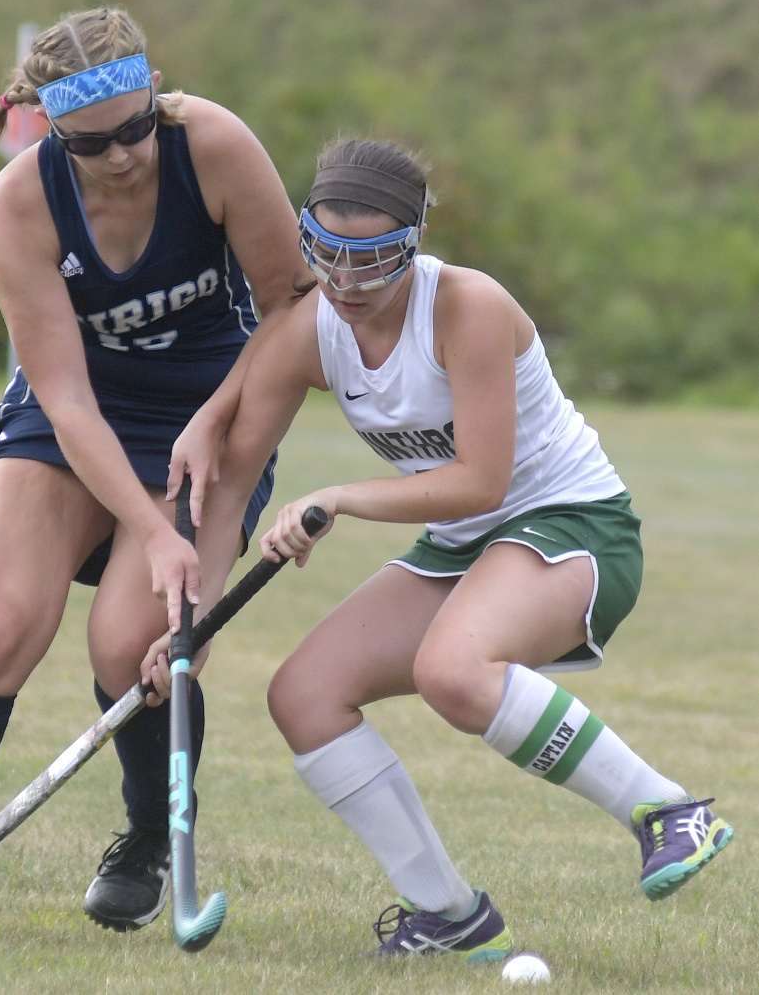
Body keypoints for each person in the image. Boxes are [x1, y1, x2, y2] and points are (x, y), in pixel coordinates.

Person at [148, 137, 734, 959]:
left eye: (371, 259)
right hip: (462, 546)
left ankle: (668, 809)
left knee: (452, 670)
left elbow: (482, 482)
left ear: (413, 241)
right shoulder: (313, 328)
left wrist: (341, 496)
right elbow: (232, 484)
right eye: (325, 253)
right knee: (304, 695)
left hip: (572, 524)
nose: (345, 281)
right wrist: (192, 626)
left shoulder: (467, 306)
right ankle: (447, 913)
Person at [0, 6, 306, 935]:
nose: (122, 155)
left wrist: (213, 441)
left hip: (210, 409)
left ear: (153, 96)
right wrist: (154, 529)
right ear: (47, 126)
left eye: (135, 128)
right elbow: (66, 398)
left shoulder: (212, 144)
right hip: (72, 416)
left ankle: (147, 838)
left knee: (133, 643)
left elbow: (293, 310)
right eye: (92, 142)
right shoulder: (17, 205)